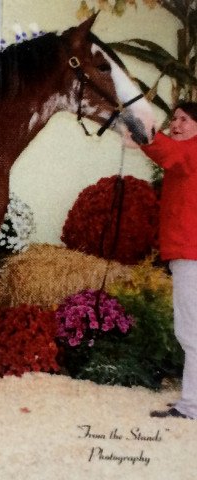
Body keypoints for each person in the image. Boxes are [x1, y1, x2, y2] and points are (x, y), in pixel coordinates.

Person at [134, 101, 197, 419]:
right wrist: (144, 141)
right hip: (187, 255)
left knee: (190, 332)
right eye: (174, 119)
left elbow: (169, 154)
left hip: (191, 255)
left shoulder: (192, 152)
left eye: (185, 119)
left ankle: (191, 406)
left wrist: (144, 130)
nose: (177, 124)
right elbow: (168, 154)